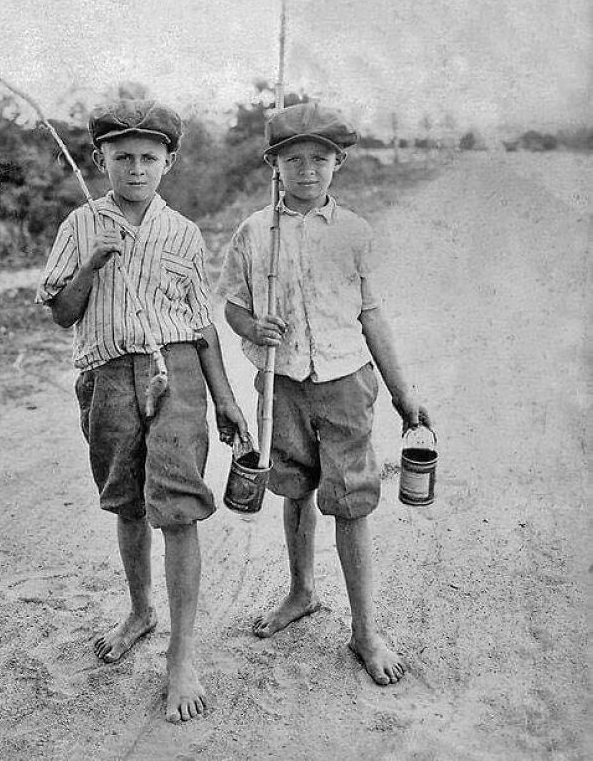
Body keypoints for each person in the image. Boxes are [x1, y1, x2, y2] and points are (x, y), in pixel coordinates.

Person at [36, 99, 247, 723]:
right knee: (126, 501)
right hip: (108, 376)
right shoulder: (80, 224)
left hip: (177, 372)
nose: (134, 168)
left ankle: (182, 655)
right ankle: (139, 609)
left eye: (148, 158)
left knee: (178, 508)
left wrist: (227, 396)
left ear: (169, 163)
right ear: (100, 159)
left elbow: (200, 323)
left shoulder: (181, 232)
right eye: (121, 156)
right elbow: (61, 312)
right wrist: (96, 259)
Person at [218, 102, 431, 686]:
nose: (306, 169)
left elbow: (373, 315)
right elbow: (233, 305)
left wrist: (402, 394)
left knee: (352, 499)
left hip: (344, 381)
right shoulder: (254, 233)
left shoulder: (357, 233)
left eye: (319, 158)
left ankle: (365, 630)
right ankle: (301, 591)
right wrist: (251, 326)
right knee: (294, 489)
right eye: (293, 159)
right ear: (274, 165)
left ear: (337, 162)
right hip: (281, 383)